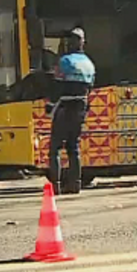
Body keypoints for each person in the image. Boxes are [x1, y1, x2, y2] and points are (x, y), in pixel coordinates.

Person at [47, 27, 95, 196]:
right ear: (83, 43)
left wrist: (50, 105)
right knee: (73, 147)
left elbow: (57, 86)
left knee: (55, 149)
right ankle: (75, 185)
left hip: (65, 107)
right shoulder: (89, 64)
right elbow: (90, 89)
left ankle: (56, 186)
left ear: (71, 43)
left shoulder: (65, 61)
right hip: (80, 109)